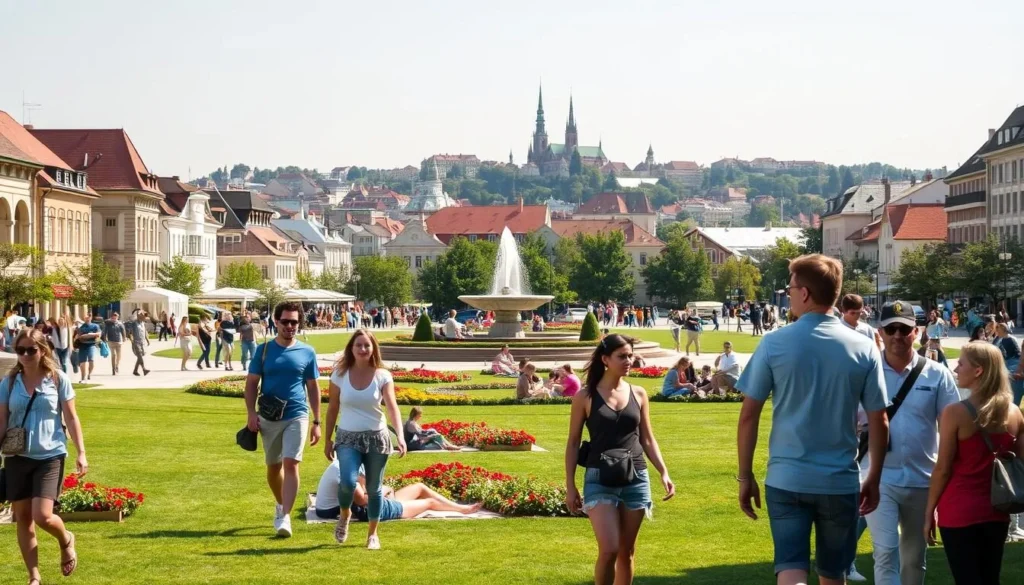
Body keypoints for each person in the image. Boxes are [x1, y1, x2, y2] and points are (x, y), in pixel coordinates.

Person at [736, 254, 889, 585]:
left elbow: (749, 415)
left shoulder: (775, 342)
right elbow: (880, 420)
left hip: (787, 478)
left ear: (804, 293)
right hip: (839, 480)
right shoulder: (864, 347)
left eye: (790, 288)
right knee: (833, 575)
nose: (788, 294)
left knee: (790, 569)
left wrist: (744, 475)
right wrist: (874, 476)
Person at [862, 301, 960, 585]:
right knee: (885, 552)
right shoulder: (867, 372)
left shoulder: (936, 373)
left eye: (903, 329)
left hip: (923, 478)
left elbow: (951, 426)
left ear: (915, 333)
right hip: (878, 477)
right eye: (891, 329)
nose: (897, 336)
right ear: (880, 332)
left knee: (915, 557)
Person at [565, 334, 675, 585]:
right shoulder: (585, 396)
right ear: (605, 359)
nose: (628, 360)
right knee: (610, 549)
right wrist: (570, 487)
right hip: (598, 476)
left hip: (636, 476)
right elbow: (573, 443)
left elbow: (647, 438)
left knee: (627, 552)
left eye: (630, 355)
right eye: (622, 356)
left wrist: (663, 472)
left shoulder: (639, 393)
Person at [925, 342, 1024, 584]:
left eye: (961, 364)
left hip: (958, 510)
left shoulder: (955, 413)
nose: (956, 369)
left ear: (978, 370)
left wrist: (929, 511)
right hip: (997, 509)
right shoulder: (1013, 413)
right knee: (989, 578)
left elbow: (943, 468)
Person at [0, 328, 88, 584]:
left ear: (43, 350)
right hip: (17, 457)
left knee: (43, 516)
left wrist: (81, 452)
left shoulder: (58, 379)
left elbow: (71, 417)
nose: (26, 355)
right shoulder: (9, 383)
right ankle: (34, 577)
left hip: (50, 455)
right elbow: (2, 421)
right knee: (24, 518)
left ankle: (66, 539)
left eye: (31, 349)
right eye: (20, 350)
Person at [322, 328, 406, 549]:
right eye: (358, 345)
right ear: (351, 347)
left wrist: (400, 435)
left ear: (373, 348)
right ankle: (345, 513)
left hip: (377, 439)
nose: (362, 349)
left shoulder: (382, 375)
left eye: (366, 345)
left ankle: (372, 534)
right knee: (348, 482)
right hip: (347, 438)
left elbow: (392, 406)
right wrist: (328, 439)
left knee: (374, 487)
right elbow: (332, 408)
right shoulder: (339, 374)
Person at [244, 301, 321, 538]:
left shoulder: (307, 352)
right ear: (276, 322)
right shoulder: (264, 350)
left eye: (294, 322)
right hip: (269, 416)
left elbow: (313, 387)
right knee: (273, 466)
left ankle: (286, 516)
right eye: (285, 321)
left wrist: (317, 421)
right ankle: (280, 504)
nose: (290, 326)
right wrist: (250, 413)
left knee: (291, 463)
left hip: (297, 414)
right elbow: (251, 384)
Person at [314, 459, 482, 521]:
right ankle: (464, 510)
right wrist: (384, 489)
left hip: (363, 503)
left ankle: (459, 507)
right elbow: (362, 500)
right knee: (429, 503)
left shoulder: (348, 462)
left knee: (419, 487)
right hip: (365, 508)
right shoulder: (346, 467)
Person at [993, 323, 1023, 406]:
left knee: (1013, 382)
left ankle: (1012, 407)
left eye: (998, 329)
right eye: (997, 329)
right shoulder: (997, 339)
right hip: (1005, 364)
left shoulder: (1011, 339)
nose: (997, 331)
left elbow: (1018, 354)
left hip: (1012, 363)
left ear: (1003, 329)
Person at [73, 314, 100, 383]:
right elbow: (79, 337)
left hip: (92, 345)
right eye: (86, 318)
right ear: (84, 318)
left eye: (88, 317)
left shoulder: (95, 326)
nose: (87, 319)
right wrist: (86, 336)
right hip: (82, 345)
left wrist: (88, 335)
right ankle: (82, 378)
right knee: (83, 362)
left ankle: (89, 374)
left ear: (90, 318)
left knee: (91, 360)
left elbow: (99, 334)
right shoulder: (81, 327)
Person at [125, 310, 151, 377]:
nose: (145, 318)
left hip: (142, 342)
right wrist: (131, 340)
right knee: (139, 355)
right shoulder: (134, 323)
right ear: (139, 316)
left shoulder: (142, 323)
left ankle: (135, 371)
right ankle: (144, 369)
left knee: (140, 356)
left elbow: (144, 332)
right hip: (136, 342)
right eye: (143, 317)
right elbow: (129, 332)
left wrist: (147, 339)